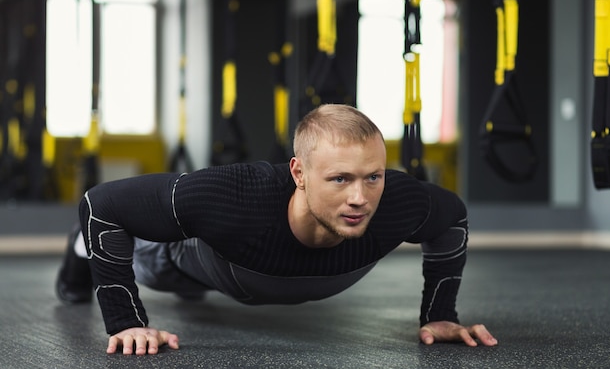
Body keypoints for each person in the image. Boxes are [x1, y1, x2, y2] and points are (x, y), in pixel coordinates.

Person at [56, 104, 498, 355]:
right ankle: (78, 257)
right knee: (153, 261)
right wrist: (125, 321)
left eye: (373, 177)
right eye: (339, 179)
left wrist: (440, 314)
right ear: (299, 173)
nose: (360, 198)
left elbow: (452, 216)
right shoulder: (231, 196)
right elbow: (101, 204)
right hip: (197, 261)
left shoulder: (400, 201)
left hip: (253, 274)